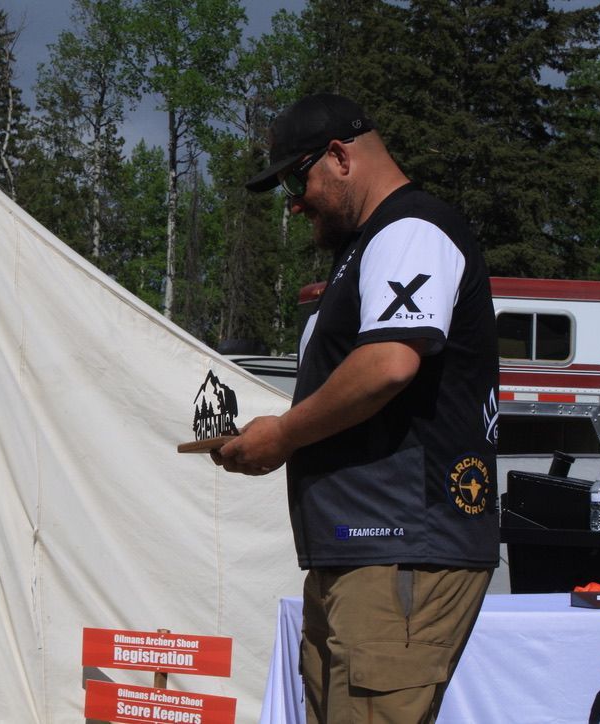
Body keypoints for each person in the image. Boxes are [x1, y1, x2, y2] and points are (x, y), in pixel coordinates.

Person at [213, 93, 499, 723]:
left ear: (339, 157)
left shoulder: (411, 228)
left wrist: (283, 435)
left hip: (401, 547)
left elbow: (390, 363)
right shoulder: (369, 246)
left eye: (296, 178)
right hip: (361, 548)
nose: (293, 200)